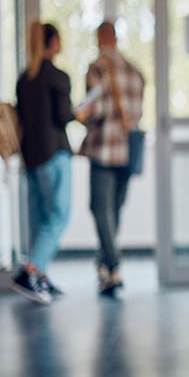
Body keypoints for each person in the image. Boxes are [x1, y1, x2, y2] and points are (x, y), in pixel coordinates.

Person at [10, 21, 84, 304]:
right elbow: (64, 116)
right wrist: (82, 112)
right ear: (52, 43)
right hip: (54, 154)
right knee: (57, 217)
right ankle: (30, 272)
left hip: (30, 157)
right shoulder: (58, 77)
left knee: (40, 219)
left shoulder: (24, 78)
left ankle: (39, 276)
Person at [79, 21, 144, 296]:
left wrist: (82, 114)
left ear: (101, 38)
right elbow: (138, 111)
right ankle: (106, 264)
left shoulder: (98, 68)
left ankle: (113, 265)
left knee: (99, 208)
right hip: (127, 151)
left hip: (104, 149)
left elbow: (97, 110)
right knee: (114, 209)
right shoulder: (134, 71)